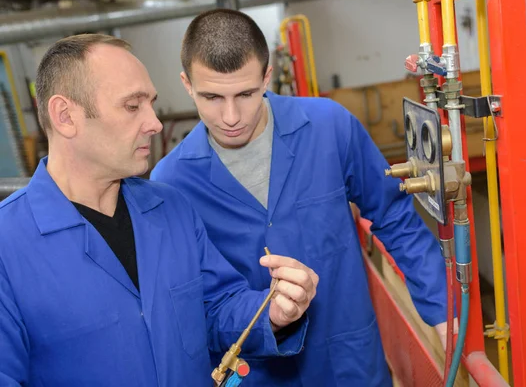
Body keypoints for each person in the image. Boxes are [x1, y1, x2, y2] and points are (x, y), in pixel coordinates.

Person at [151, 9, 455, 387]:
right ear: (186, 84)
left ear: (266, 76)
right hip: (256, 371)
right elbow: (192, 305)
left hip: (349, 363)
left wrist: (444, 313)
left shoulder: (329, 126)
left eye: (245, 94)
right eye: (212, 96)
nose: (231, 116)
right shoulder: (171, 183)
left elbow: (394, 216)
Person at [0, 34, 319, 386]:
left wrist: (270, 314)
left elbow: (213, 309)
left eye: (151, 103)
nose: (154, 123)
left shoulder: (172, 209)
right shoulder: (8, 246)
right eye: (132, 106)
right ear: (65, 116)